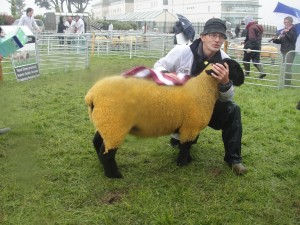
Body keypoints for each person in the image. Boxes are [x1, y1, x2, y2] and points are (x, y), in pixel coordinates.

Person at [153, 18, 247, 175]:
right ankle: (178, 136)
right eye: (212, 35)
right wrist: (169, 76)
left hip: (207, 108)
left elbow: (228, 98)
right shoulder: (182, 51)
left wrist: (224, 83)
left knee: (233, 109)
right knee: (184, 135)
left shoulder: (224, 61)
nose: (217, 40)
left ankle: (234, 159)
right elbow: (158, 66)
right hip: (180, 105)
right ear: (202, 36)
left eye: (221, 36)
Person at [270, 16, 298, 86]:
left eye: (287, 22)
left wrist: (287, 33)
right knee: (284, 67)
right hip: (283, 51)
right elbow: (281, 41)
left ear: (291, 22)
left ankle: (287, 83)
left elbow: (292, 40)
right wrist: (275, 40)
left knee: (288, 67)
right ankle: (284, 81)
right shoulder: (284, 30)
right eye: (284, 22)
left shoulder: (293, 30)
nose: (285, 23)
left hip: (289, 52)